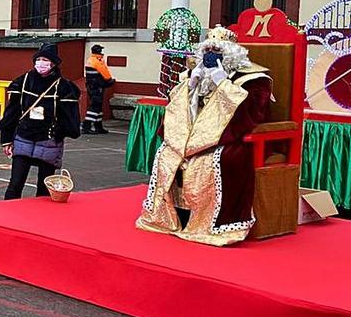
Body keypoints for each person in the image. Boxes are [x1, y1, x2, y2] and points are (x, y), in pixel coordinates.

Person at [137, 26, 272, 246]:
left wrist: (222, 83)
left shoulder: (254, 79)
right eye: (207, 51)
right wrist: (190, 86)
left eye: (217, 52)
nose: (211, 56)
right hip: (193, 135)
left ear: (230, 53)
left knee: (217, 160)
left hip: (230, 136)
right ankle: (174, 217)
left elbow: (254, 113)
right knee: (166, 153)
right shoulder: (195, 74)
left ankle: (214, 223)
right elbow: (176, 108)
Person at [0, 43, 82, 199]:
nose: (41, 63)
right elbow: (11, 113)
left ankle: (39, 220)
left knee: (44, 188)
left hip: (48, 142)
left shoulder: (63, 87)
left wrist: (59, 133)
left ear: (53, 63)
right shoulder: (22, 81)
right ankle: (7, 215)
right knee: (15, 184)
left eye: (45, 60)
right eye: (39, 59)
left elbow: (69, 117)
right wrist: (6, 139)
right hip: (23, 138)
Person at [82, 44, 117, 135]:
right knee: (95, 106)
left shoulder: (90, 60)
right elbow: (105, 74)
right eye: (101, 50)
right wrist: (110, 81)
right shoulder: (97, 61)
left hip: (91, 87)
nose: (102, 52)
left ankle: (98, 126)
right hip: (97, 87)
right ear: (98, 51)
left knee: (97, 107)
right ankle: (87, 126)